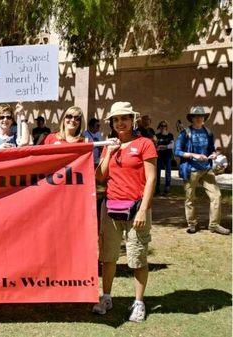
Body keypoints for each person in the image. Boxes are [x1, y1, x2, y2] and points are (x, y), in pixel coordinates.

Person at [93, 101, 157, 323]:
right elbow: (99, 177)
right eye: (116, 119)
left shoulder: (144, 144)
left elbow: (151, 178)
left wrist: (143, 210)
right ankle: (107, 297)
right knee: (108, 256)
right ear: (111, 123)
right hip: (111, 207)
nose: (120, 123)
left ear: (133, 120)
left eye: (124, 118)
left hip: (136, 207)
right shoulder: (109, 145)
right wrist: (109, 152)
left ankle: (139, 302)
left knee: (137, 257)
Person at [174, 106, 229, 235]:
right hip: (191, 170)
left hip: (206, 169)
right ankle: (192, 224)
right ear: (192, 118)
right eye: (196, 116)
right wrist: (194, 155)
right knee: (190, 198)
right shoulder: (185, 133)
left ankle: (214, 225)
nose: (199, 118)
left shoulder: (208, 132)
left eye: (201, 116)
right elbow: (177, 151)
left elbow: (211, 148)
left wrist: (214, 154)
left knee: (216, 196)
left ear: (204, 118)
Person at [154, 120, 174, 195]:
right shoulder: (156, 135)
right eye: (161, 125)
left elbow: (172, 146)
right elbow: (155, 146)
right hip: (159, 156)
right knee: (157, 171)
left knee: (168, 172)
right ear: (159, 127)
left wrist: (162, 146)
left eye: (165, 125)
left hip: (168, 156)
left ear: (167, 127)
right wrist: (164, 147)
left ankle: (167, 188)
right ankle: (157, 188)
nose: (163, 127)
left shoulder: (170, 135)